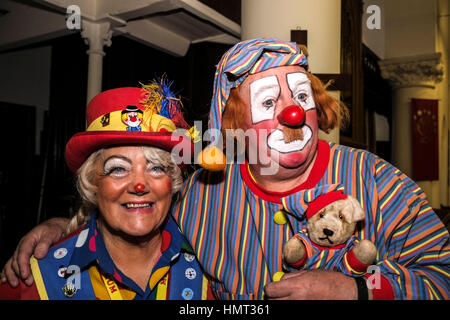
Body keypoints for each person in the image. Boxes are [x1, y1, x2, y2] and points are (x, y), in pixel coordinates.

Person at [2, 38, 450, 300]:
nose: (293, 115)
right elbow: (139, 207)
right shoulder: (204, 193)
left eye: (301, 97)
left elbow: (443, 275)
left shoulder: (377, 180)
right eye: (269, 103)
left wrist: (358, 291)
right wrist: (66, 225)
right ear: (233, 125)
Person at [0, 81, 211, 300]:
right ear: (92, 183)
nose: (139, 185)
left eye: (156, 167)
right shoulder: (37, 281)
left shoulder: (212, 264)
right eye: (118, 168)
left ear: (173, 182)